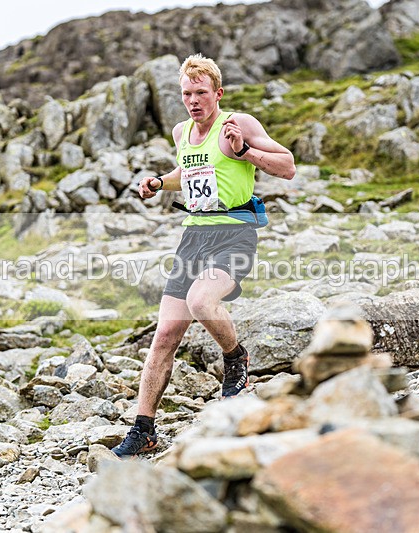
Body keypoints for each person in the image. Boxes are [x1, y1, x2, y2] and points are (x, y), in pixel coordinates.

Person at [111, 53, 296, 458]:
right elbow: (190, 172)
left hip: (234, 235)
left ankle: (235, 359)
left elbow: (287, 166)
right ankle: (143, 429)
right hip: (193, 237)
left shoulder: (238, 124)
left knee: (200, 300)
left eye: (200, 93)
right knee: (164, 336)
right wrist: (160, 182)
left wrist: (245, 150)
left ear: (218, 93)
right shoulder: (181, 132)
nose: (193, 101)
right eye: (186, 94)